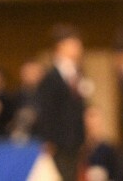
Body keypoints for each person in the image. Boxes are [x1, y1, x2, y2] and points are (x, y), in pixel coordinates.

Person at [34, 24, 87, 181]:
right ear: (61, 46)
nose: (78, 47)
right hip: (58, 142)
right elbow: (46, 110)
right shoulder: (50, 77)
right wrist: (48, 139)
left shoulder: (77, 74)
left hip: (75, 141)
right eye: (73, 43)